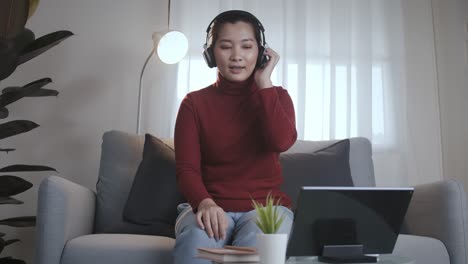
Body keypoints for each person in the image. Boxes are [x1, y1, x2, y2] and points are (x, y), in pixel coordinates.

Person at [173, 10, 297, 264]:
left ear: (261, 53)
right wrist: (205, 203)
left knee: (259, 252)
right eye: (226, 46)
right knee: (196, 245)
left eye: (247, 46)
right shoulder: (193, 104)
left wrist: (264, 83)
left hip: (267, 209)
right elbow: (186, 169)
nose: (237, 56)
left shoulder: (277, 97)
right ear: (211, 53)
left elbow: (281, 142)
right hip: (210, 206)